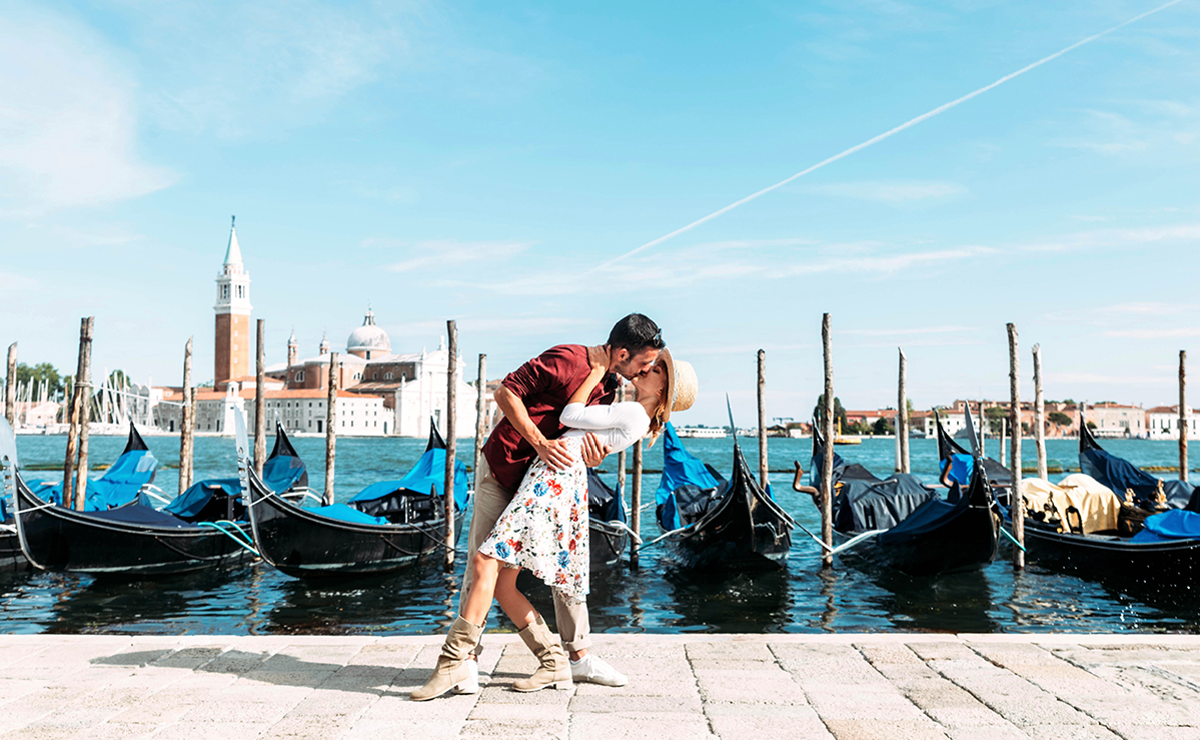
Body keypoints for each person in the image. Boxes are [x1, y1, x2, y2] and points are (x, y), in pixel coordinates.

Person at [411, 345, 697, 701]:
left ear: (663, 389)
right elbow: (519, 399)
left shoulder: (624, 401)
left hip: (551, 479)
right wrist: (578, 445)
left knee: (490, 563)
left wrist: (594, 443)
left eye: (655, 368)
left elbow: (573, 418)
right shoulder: (572, 362)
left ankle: (464, 661)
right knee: (502, 579)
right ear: (624, 352)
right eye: (647, 362)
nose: (645, 369)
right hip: (525, 469)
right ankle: (544, 660)